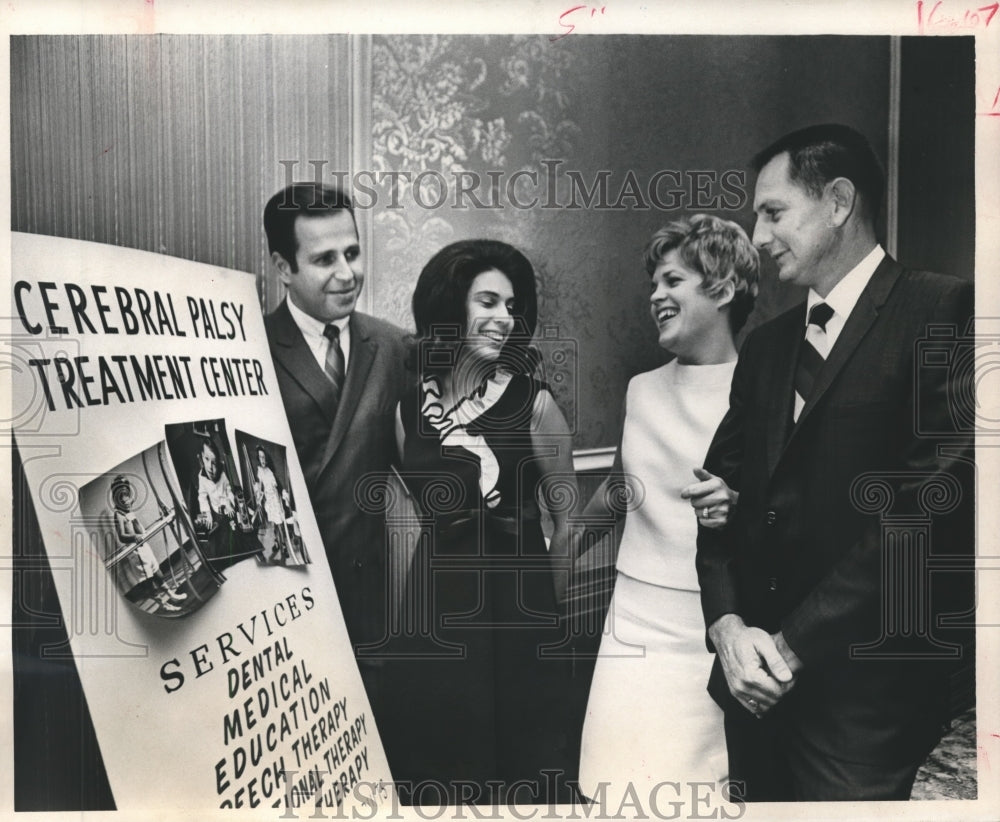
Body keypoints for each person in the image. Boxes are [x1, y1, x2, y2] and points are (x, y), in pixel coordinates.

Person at [696, 124, 974, 801]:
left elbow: (925, 512)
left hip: (864, 694)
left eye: (773, 212)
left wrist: (791, 646)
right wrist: (728, 627)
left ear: (840, 201)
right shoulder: (763, 348)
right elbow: (716, 499)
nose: (756, 237)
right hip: (753, 687)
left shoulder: (943, 310)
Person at [380, 239, 577, 805]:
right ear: (449, 309)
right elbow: (410, 519)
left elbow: (567, 524)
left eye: (512, 307)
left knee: (520, 775)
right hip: (432, 621)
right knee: (434, 771)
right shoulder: (406, 412)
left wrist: (542, 617)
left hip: (518, 617)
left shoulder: (535, 405)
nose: (503, 319)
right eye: (487, 301)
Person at [576, 216, 758, 806]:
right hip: (631, 616)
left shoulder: (768, 389)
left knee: (693, 793)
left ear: (724, 289)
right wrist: (564, 543)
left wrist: (739, 505)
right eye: (653, 284)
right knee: (615, 781)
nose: (655, 296)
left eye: (672, 280)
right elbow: (624, 485)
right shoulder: (641, 389)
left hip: (713, 621)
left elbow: (794, 507)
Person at [263, 183, 409, 709]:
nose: (347, 274)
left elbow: (422, 467)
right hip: (279, 607)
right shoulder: (247, 349)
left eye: (352, 252)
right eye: (324, 259)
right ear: (284, 267)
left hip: (368, 609)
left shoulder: (394, 346)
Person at [109, 474, 188, 613]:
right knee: (149, 581)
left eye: (127, 496)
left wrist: (133, 520)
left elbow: (140, 530)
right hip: (136, 552)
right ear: (117, 499)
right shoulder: (118, 515)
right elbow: (122, 536)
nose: (127, 500)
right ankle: (163, 605)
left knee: (158, 573)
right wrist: (134, 537)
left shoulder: (128, 512)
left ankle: (171, 595)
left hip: (144, 546)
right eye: (123, 498)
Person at [253, 445, 290, 562]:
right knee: (274, 523)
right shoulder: (259, 472)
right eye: (260, 457)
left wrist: (283, 492)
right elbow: (259, 486)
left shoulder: (270, 470)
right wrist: (259, 495)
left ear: (266, 458)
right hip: (269, 502)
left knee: (279, 524)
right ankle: (276, 543)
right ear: (258, 459)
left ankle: (283, 546)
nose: (262, 460)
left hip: (276, 500)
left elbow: (278, 484)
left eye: (264, 457)